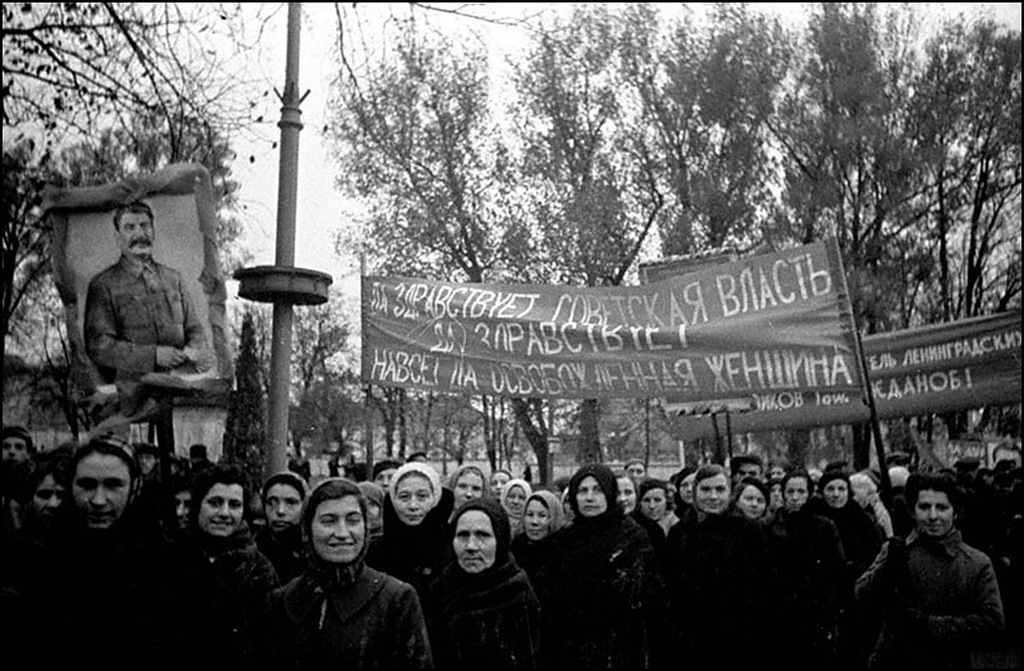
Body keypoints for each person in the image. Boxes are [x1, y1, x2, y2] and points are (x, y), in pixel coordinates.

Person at [6, 434, 181, 668]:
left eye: (113, 485)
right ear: (70, 485)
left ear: (134, 487)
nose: (98, 500)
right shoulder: (39, 560)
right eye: (87, 485)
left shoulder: (169, 563)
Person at [260, 478, 433, 669]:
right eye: (329, 521)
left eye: (353, 520)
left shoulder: (395, 598)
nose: (342, 533)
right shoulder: (284, 600)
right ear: (308, 528)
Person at [855, 472, 1004, 669]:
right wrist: (887, 567)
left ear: (955, 512)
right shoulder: (895, 553)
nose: (933, 516)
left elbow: (992, 624)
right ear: (912, 511)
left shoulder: (976, 563)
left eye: (942, 508)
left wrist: (931, 625)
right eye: (924, 507)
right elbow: (860, 598)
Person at [544, 464, 668, 668]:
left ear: (610, 494)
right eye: (583, 491)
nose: (590, 497)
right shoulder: (562, 541)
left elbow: (649, 602)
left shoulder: (632, 538)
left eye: (598, 490)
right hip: (571, 649)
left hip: (620, 650)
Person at [84, 200, 209, 384]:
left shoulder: (174, 278)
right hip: (132, 396)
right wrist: (153, 356)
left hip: (180, 386)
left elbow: (195, 330)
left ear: (153, 231)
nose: (139, 234)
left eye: (145, 226)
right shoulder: (103, 285)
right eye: (130, 228)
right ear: (118, 237)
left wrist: (195, 351)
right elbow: (99, 347)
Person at [664, 464, 773, 667]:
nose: (713, 496)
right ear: (695, 491)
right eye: (705, 489)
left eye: (720, 489)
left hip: (739, 638)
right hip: (692, 639)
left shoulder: (748, 530)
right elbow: (672, 587)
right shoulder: (680, 533)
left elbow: (764, 588)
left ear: (730, 492)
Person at [177, 465, 280, 665]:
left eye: (234, 505)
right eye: (215, 503)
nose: (224, 513)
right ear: (198, 505)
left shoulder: (257, 569)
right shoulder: (173, 556)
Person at [425, 497, 542, 668]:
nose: (471, 546)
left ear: (500, 540)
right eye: (463, 535)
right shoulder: (438, 591)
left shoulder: (518, 594)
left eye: (483, 535)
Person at [764, 469, 846, 668]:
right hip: (782, 612)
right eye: (790, 492)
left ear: (809, 494)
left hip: (816, 611)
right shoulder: (772, 526)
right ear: (783, 494)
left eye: (801, 492)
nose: (795, 498)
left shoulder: (823, 526)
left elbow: (835, 566)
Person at [365, 461, 453, 600]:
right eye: (404, 497)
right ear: (393, 500)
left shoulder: (452, 545)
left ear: (435, 498)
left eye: (422, 496)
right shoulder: (374, 551)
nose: (413, 505)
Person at [511, 490, 566, 607]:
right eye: (530, 515)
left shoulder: (563, 552)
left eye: (542, 516)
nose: (534, 522)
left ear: (554, 518)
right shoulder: (515, 550)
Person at [256, 471, 309, 583]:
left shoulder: (314, 553)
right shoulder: (253, 551)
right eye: (272, 503)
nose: (280, 511)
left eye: (291, 502)